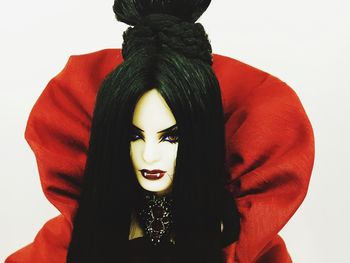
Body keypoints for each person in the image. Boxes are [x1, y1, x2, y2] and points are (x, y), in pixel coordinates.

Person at [5, 0, 315, 262]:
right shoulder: (70, 240)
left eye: (171, 136)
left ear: (201, 135)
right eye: (134, 135)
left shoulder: (239, 244)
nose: (149, 155)